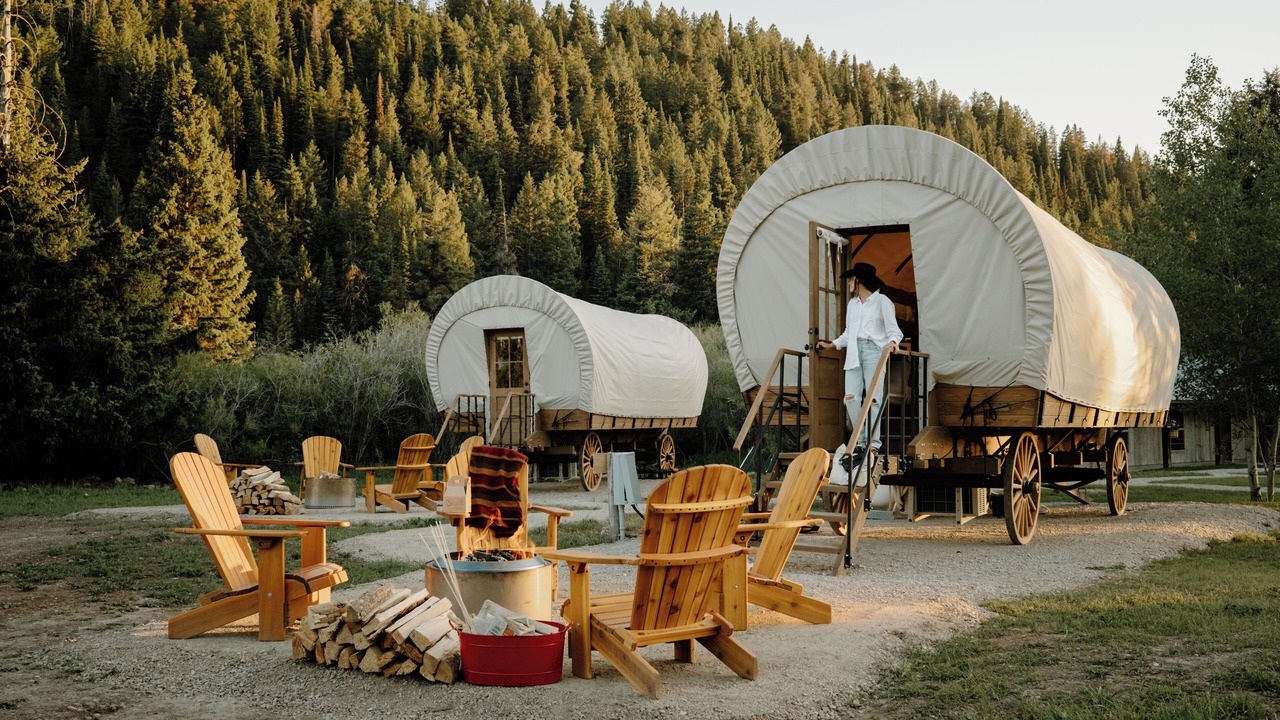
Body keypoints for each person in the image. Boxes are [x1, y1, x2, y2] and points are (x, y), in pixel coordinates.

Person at [814, 262, 903, 452]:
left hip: (874, 350)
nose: (849, 284)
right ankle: (861, 440)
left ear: (859, 281)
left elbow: (893, 330)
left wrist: (894, 342)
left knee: (873, 398)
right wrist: (832, 344)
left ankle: (872, 443)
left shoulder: (882, 302)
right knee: (851, 398)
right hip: (854, 350)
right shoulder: (852, 305)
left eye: (851, 280)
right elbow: (849, 333)